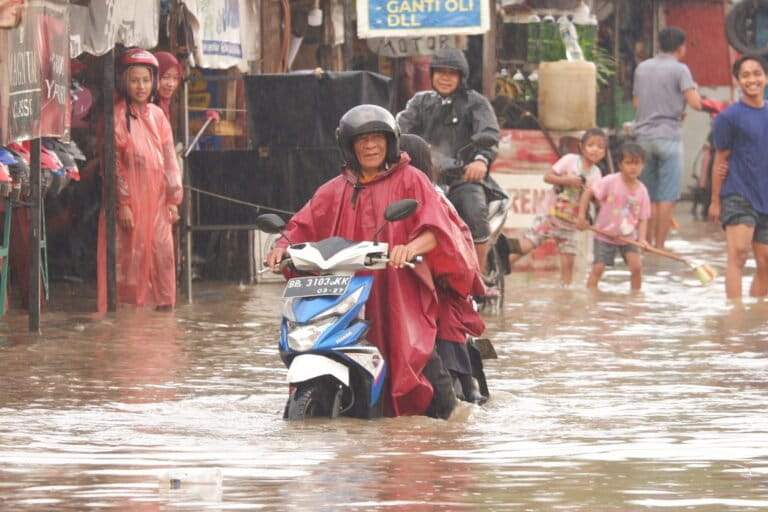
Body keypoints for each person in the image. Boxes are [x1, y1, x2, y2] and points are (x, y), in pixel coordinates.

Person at [267, 105, 481, 418]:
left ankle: (451, 419)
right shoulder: (335, 188)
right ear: (350, 146)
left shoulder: (412, 179)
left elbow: (437, 229)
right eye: (362, 140)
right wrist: (280, 246)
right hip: (347, 288)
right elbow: (301, 224)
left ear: (389, 141)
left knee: (415, 355)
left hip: (397, 287)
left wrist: (410, 247)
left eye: (377, 138)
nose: (370, 146)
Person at [396, 48, 502, 278]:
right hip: (424, 179)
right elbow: (399, 131)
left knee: (474, 212)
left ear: (461, 76)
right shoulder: (419, 102)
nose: (445, 78)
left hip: (463, 178)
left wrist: (481, 161)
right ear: (432, 74)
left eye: (451, 73)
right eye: (440, 72)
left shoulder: (476, 103)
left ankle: (479, 276)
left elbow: (489, 136)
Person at [399, 133, 487, 403]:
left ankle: (464, 387)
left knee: (445, 319)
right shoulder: (377, 193)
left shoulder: (433, 197)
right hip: (394, 278)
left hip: (436, 283)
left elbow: (450, 244)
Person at [96, 48, 183, 312]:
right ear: (124, 81)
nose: (141, 86)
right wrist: (122, 202)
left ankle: (163, 315)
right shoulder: (117, 117)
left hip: (157, 200)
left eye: (146, 80)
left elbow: (169, 159)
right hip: (131, 200)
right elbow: (114, 165)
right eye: (135, 80)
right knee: (130, 260)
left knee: (163, 255)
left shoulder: (157, 115)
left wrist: (173, 198)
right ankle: (128, 321)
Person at [508, 128, 607, 285]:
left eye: (600, 147)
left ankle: (564, 300)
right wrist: (566, 181)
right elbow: (547, 177)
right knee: (526, 246)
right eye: (591, 145)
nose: (595, 149)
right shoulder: (569, 160)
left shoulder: (597, 174)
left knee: (568, 265)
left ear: (604, 152)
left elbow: (592, 199)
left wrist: (585, 218)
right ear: (581, 147)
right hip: (549, 216)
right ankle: (498, 269)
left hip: (570, 225)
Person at [632, 26, 702, 249]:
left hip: (643, 138)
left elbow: (636, 103)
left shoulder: (642, 68)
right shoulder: (681, 70)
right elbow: (696, 103)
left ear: (659, 45)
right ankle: (659, 247)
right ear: (681, 47)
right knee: (667, 197)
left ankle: (646, 243)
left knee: (648, 196)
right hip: (669, 137)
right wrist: (693, 91)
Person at [708, 55, 768, 299]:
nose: (752, 79)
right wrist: (715, 200)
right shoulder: (729, 117)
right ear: (738, 81)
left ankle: (755, 319)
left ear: (765, 77)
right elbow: (721, 159)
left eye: (757, 73)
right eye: (745, 75)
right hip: (738, 192)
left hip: (765, 195)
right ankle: (734, 318)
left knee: (765, 261)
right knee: (739, 253)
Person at [577, 143, 651, 291]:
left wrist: (642, 239)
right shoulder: (611, 181)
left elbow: (643, 218)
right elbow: (588, 192)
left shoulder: (642, 190)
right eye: (628, 163)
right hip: (604, 235)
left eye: (637, 163)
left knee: (636, 268)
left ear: (643, 166)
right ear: (620, 165)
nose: (633, 168)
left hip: (628, 237)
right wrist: (581, 217)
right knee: (598, 269)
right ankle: (591, 297)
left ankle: (635, 299)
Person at [153, 51, 183, 122]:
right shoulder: (146, 109)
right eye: (165, 77)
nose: (171, 84)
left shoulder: (164, 105)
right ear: (153, 77)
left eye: (175, 78)